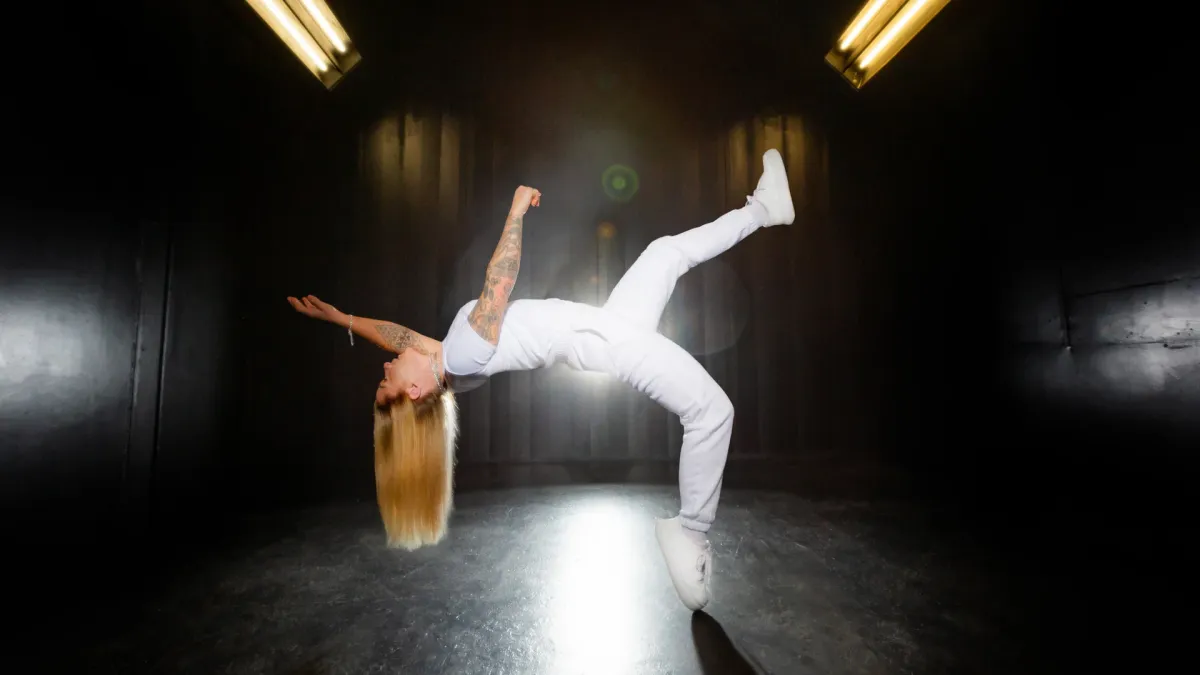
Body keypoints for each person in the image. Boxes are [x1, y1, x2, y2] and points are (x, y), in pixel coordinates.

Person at [288, 149, 795, 610]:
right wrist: (514, 213)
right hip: (605, 341)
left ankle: (763, 209)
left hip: (603, 330)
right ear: (415, 390)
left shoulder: (447, 361)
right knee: (711, 411)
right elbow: (499, 282)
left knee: (665, 253)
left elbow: (396, 337)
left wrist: (343, 319)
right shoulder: (461, 355)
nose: (385, 368)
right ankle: (691, 533)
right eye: (386, 382)